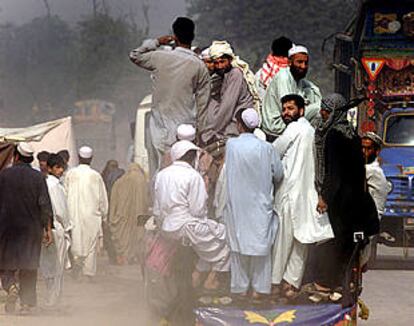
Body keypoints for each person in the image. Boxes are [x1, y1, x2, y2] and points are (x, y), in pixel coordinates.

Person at [312, 93, 379, 299]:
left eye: (326, 110)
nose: (322, 113)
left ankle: (326, 285)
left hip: (340, 198)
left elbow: (333, 172)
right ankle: (343, 284)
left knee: (331, 242)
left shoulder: (333, 135)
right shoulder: (352, 134)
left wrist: (324, 196)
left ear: (334, 112)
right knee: (345, 243)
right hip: (355, 199)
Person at [129, 17, 210, 177]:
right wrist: (201, 136)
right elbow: (203, 106)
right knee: (187, 175)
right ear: (192, 36)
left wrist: (157, 41)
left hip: (160, 130)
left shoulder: (159, 57)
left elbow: (135, 55)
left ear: (175, 36)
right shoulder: (199, 66)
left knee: (162, 174)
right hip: (186, 132)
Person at [271, 94, 333, 298]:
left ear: (301, 111)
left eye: (290, 108)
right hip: (307, 195)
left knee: (282, 242)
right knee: (301, 242)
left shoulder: (293, 129)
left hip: (289, 194)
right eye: (284, 109)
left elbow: (274, 152)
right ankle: (291, 283)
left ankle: (274, 282)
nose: (285, 113)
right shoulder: (312, 131)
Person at [223, 108, 283, 299]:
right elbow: (279, 174)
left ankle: (240, 289)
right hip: (260, 205)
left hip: (237, 205)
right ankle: (259, 289)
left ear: (240, 125)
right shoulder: (267, 148)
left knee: (238, 247)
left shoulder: (231, 145)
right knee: (261, 248)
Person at [153, 140, 230, 290]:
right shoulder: (193, 176)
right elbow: (198, 210)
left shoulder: (161, 175)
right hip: (187, 226)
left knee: (209, 242)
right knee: (226, 237)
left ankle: (198, 274)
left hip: (167, 227)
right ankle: (209, 278)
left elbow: (158, 207)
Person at [0, 142, 53, 313]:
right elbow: (44, 204)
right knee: (29, 265)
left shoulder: (4, 176)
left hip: (7, 228)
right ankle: (26, 304)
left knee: (5, 263)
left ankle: (10, 286)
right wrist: (48, 229)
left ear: (16, 157)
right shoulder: (38, 178)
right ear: (30, 159)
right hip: (31, 229)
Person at [198, 40, 257, 148]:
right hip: (227, 119)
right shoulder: (222, 76)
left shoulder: (235, 74)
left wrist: (210, 132)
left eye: (222, 61)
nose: (219, 66)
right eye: (216, 63)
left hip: (237, 122)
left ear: (230, 60)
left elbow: (227, 107)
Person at [65, 146, 108, 279]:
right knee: (90, 245)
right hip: (92, 216)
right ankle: (88, 273)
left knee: (76, 241)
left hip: (73, 214)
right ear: (91, 159)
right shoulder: (96, 176)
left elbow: (65, 194)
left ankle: (77, 268)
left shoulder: (70, 174)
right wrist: (104, 216)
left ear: (78, 157)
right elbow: (103, 199)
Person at [262, 45, 322, 141]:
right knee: (318, 108)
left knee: (312, 92)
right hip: (276, 125)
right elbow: (289, 109)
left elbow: (313, 88)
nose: (303, 66)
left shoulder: (297, 78)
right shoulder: (284, 78)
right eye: (299, 62)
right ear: (289, 62)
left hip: (287, 119)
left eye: (306, 63)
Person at [40, 153, 72, 307]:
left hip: (47, 228)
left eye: (61, 167)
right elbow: (61, 211)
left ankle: (51, 298)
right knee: (56, 267)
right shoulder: (54, 186)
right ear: (51, 168)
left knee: (48, 266)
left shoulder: (46, 183)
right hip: (57, 229)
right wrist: (68, 227)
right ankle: (54, 300)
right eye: (57, 167)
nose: (60, 170)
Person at [109, 163, 149, 265]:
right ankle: (134, 256)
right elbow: (146, 201)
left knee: (125, 236)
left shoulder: (121, 181)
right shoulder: (142, 180)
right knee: (138, 234)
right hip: (139, 216)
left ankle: (124, 257)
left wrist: (112, 216)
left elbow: (114, 202)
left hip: (123, 217)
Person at [360, 132, 390, 267]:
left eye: (368, 149)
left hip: (369, 218)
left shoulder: (372, 171)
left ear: (376, 151)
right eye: (362, 148)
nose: (364, 152)